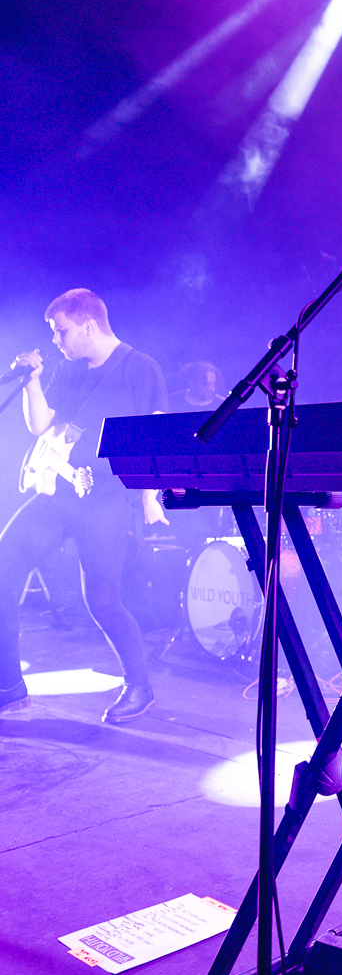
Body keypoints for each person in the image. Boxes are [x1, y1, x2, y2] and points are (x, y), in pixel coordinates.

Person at [0, 289, 169, 724]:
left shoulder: (139, 367)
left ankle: (140, 687)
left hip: (105, 501)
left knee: (103, 601)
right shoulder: (68, 369)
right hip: (58, 495)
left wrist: (150, 499)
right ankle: (9, 688)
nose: (56, 339)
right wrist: (33, 380)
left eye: (62, 331)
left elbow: (154, 436)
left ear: (89, 326)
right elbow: (40, 424)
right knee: (3, 565)